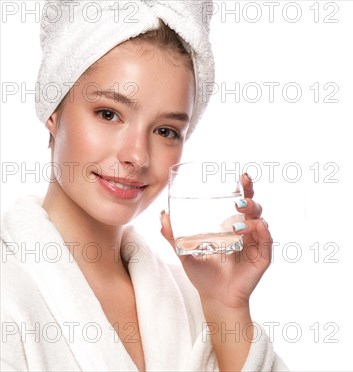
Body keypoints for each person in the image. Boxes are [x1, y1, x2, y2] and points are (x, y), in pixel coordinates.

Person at [1, 1, 286, 371]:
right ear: (53, 112)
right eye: (108, 113)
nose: (137, 155)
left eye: (165, 131)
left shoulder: (190, 299)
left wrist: (226, 306)